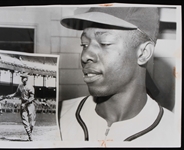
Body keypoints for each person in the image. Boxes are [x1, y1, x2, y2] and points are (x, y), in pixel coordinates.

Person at [58, 7, 178, 145]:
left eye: (104, 43)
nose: (85, 56)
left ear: (144, 53)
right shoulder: (57, 116)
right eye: (84, 44)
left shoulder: (172, 134)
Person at [6, 73, 37, 141]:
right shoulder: (20, 86)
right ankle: (30, 136)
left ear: (27, 79)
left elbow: (32, 98)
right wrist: (10, 95)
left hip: (30, 104)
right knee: (25, 121)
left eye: (24, 77)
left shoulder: (30, 87)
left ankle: (30, 134)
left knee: (32, 123)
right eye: (22, 78)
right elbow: (16, 93)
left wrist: (25, 104)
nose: (22, 79)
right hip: (23, 105)